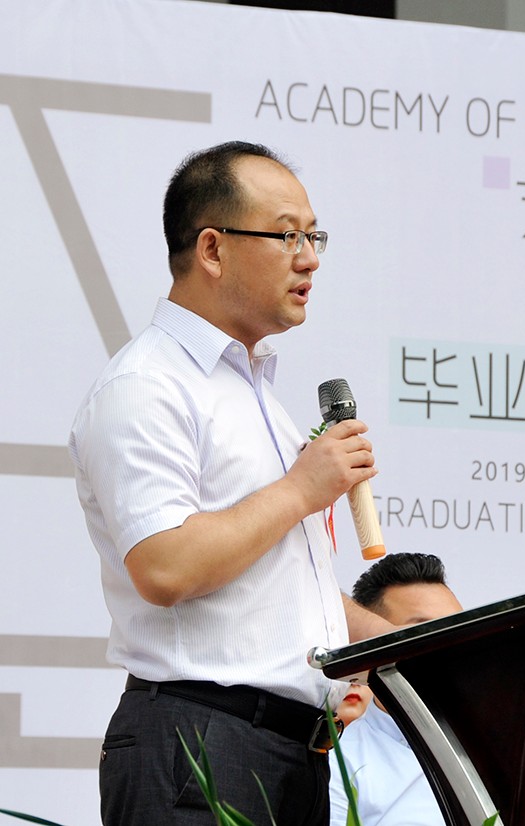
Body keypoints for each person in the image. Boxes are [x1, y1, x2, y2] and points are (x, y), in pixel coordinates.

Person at [69, 141, 395, 826]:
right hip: (200, 744)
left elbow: (274, 589)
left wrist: (419, 640)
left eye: (314, 237)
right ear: (212, 249)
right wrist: (301, 490)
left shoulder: (251, 391)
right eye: (287, 236)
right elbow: (165, 565)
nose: (309, 258)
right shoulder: (147, 384)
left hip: (291, 753)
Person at [329, 552, 462, 826]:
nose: (447, 647)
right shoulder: (340, 764)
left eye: (458, 630)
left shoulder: (505, 746)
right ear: (370, 647)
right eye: (422, 633)